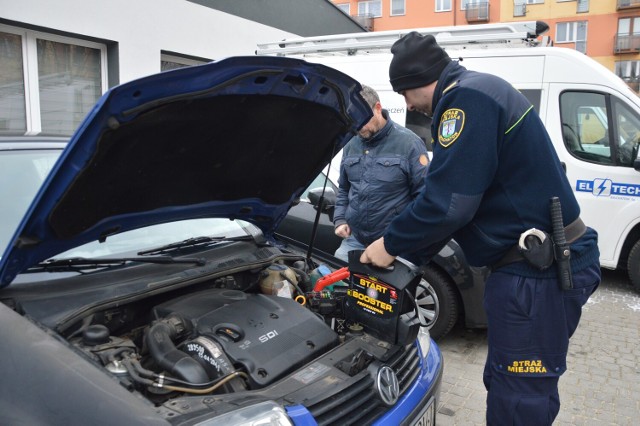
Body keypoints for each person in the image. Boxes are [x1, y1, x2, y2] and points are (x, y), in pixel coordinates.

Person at [360, 32, 601, 425]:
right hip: (535, 266)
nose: (408, 104)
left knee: (519, 399)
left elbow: (450, 204)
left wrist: (390, 244)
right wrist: (410, 255)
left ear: (415, 82)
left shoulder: (464, 100)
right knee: (508, 383)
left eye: (404, 93)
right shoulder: (483, 89)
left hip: (534, 274)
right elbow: (461, 199)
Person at [332, 84, 429, 262]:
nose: (358, 127)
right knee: (336, 285)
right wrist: (339, 219)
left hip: (393, 245)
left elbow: (423, 197)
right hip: (355, 240)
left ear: (377, 108)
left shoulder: (409, 144)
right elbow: (344, 188)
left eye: (362, 120)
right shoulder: (351, 144)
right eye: (353, 121)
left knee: (388, 290)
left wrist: (399, 238)